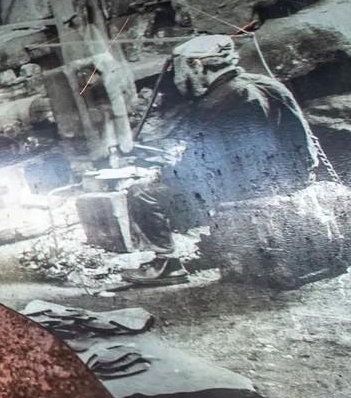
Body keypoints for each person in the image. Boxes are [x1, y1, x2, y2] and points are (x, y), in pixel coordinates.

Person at [122, 34, 317, 285]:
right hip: (295, 176)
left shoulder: (219, 99)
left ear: (197, 65)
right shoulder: (267, 84)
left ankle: (166, 264)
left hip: (255, 186)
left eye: (184, 69)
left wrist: (163, 174)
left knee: (142, 192)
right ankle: (214, 245)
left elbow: (198, 162)